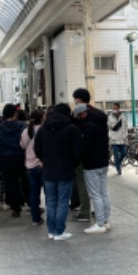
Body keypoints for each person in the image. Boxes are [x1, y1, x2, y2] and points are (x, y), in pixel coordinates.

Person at [34, 103, 82, 241]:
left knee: (50, 201)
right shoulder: (71, 129)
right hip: (66, 170)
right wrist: (73, 163)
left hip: (48, 170)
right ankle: (59, 231)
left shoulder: (43, 129)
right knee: (63, 201)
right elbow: (78, 150)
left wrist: (44, 159)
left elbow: (37, 149)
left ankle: (51, 231)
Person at [73, 90, 112, 235]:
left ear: (82, 114)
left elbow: (84, 145)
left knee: (95, 194)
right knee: (104, 192)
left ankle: (100, 223)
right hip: (103, 161)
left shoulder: (88, 126)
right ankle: (106, 221)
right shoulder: (101, 118)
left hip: (92, 163)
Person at [0, 103, 27, 217]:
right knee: (26, 182)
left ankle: (15, 208)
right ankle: (32, 204)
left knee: (10, 183)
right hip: (22, 158)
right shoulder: (23, 126)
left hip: (5, 159)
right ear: (15, 113)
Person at [71, 88, 93, 223]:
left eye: (75, 99)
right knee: (96, 185)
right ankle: (97, 210)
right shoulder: (97, 114)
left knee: (83, 183)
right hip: (94, 157)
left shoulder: (80, 117)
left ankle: (85, 211)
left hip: (83, 156)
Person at [20, 109, 44, 226]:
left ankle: (36, 219)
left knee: (33, 193)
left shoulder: (25, 132)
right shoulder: (44, 130)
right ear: (41, 118)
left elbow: (22, 146)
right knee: (49, 193)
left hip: (29, 166)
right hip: (42, 165)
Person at [108, 103, 128, 175]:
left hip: (122, 139)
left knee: (124, 153)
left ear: (118, 108)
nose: (114, 110)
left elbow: (125, 127)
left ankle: (118, 163)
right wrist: (110, 136)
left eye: (115, 108)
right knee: (116, 154)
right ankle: (118, 168)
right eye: (113, 108)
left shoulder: (123, 116)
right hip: (114, 139)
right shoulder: (110, 117)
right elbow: (109, 128)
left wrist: (126, 136)